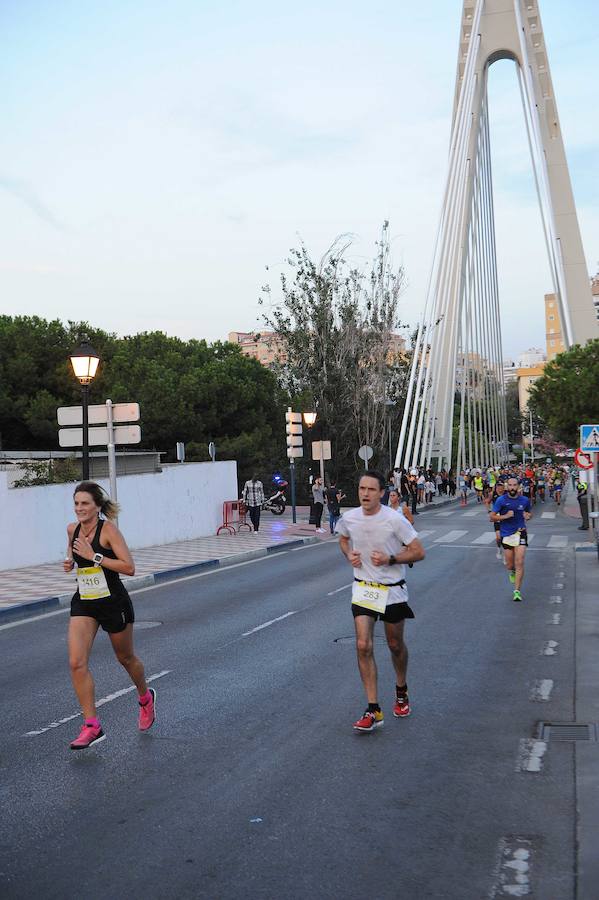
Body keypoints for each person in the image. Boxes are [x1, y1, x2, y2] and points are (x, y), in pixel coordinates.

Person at [64, 482, 155, 750]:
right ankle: (92, 725)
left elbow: (129, 567)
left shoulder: (109, 531)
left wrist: (96, 557)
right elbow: (73, 556)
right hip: (85, 601)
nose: (80, 508)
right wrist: (70, 562)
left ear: (97, 507)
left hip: (113, 602)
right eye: (76, 503)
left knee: (125, 657)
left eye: (85, 504)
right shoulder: (72, 530)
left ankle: (145, 698)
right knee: (76, 662)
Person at [336, 471, 425, 733]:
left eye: (371, 489)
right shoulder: (349, 518)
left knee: (395, 644)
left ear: (382, 493)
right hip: (363, 588)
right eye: (362, 488)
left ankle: (401, 690)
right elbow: (342, 538)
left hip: (392, 590)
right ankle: (373, 708)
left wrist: (391, 559)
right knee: (363, 645)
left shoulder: (394, 520)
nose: (365, 494)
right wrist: (348, 554)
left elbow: (418, 551)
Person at [491, 476, 532, 602]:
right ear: (507, 486)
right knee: (510, 564)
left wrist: (528, 515)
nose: (513, 487)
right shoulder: (501, 501)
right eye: (510, 485)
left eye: (515, 485)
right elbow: (492, 517)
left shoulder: (525, 500)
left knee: (520, 561)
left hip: (520, 532)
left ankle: (517, 591)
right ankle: (512, 571)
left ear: (518, 486)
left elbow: (529, 513)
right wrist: (505, 516)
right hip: (506, 534)